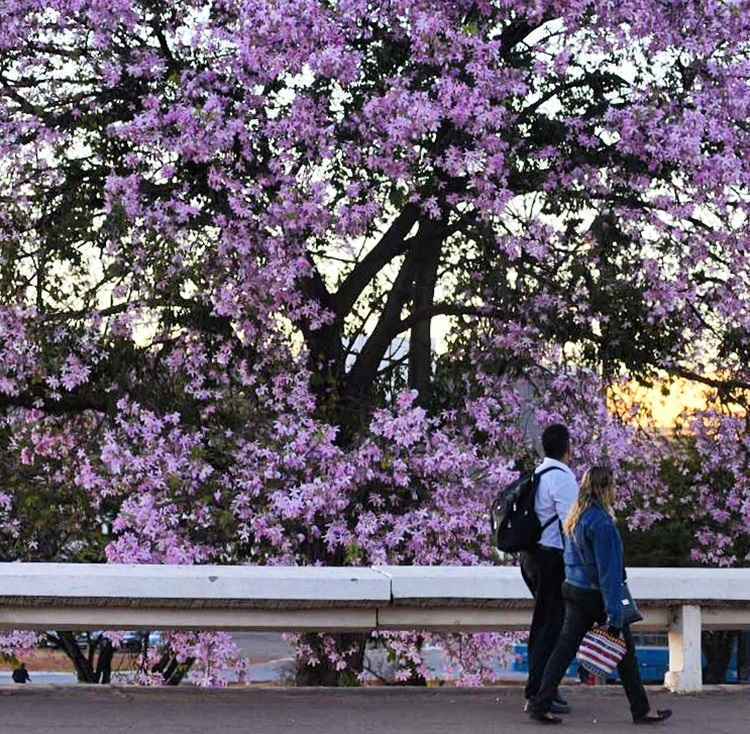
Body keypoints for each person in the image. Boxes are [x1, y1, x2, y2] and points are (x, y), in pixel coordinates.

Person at [528, 466, 673, 725]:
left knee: (563, 650)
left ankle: (540, 702)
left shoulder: (576, 517)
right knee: (625, 654)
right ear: (606, 488)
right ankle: (641, 711)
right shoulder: (602, 523)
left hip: (573, 589)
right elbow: (609, 573)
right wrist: (615, 616)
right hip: (595, 596)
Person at [520, 423, 579, 714]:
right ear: (568, 448)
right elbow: (572, 527)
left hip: (531, 558)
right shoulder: (563, 479)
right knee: (552, 627)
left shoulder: (539, 472)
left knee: (543, 625)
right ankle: (541, 691)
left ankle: (542, 687)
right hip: (551, 559)